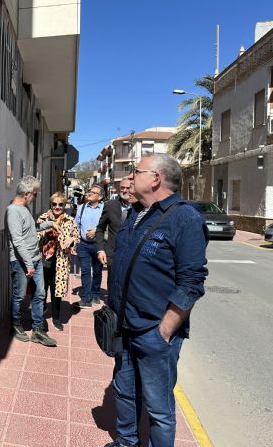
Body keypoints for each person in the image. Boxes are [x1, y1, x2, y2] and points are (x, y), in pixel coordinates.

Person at [104, 153, 209, 447]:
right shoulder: (134, 213)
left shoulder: (185, 219)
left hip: (154, 332)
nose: (128, 178)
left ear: (156, 178)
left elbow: (192, 283)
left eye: (135, 171)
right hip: (124, 326)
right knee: (124, 392)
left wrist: (164, 330)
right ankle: (126, 442)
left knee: (159, 410)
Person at [5, 176, 59, 347]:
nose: (35, 197)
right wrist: (28, 264)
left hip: (34, 259)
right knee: (19, 296)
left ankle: (37, 330)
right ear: (27, 194)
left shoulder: (24, 208)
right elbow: (18, 240)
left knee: (40, 294)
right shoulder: (13, 211)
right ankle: (16, 325)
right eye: (35, 194)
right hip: (22, 261)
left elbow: (31, 229)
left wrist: (50, 224)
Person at [36, 192, 80, 330]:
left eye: (60, 204)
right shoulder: (43, 218)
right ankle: (40, 319)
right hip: (43, 259)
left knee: (57, 290)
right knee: (41, 290)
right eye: (54, 204)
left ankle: (56, 318)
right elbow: (35, 235)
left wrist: (72, 240)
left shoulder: (69, 220)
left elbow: (77, 237)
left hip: (61, 260)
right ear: (51, 204)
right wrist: (45, 231)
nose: (57, 207)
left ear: (64, 205)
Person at [73, 183, 105, 308]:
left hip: (98, 245)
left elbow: (108, 226)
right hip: (83, 244)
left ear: (100, 197)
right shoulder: (82, 207)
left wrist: (96, 230)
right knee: (85, 271)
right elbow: (76, 225)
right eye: (89, 191)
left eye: (93, 192)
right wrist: (75, 243)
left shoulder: (105, 208)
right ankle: (86, 298)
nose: (90, 194)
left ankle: (95, 293)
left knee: (97, 271)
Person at [95, 178, 136, 271]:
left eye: (128, 188)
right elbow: (100, 229)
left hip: (133, 258)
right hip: (113, 257)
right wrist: (101, 250)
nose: (125, 190)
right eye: (122, 188)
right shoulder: (110, 205)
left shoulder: (141, 207)